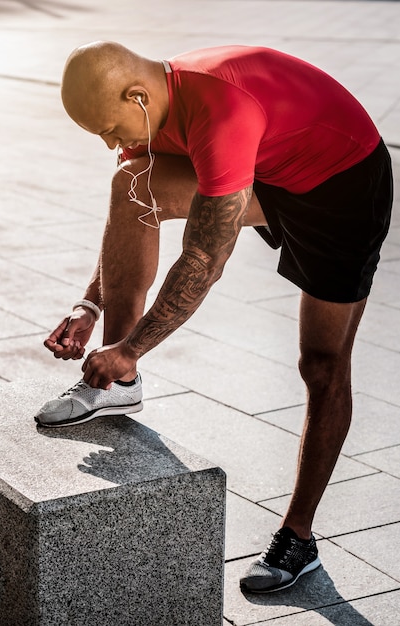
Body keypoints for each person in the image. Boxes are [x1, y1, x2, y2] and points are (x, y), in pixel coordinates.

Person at [34, 41, 393, 594]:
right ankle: (116, 384)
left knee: (321, 363)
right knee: (132, 186)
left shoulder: (220, 111)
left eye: (109, 128)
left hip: (340, 186)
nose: (110, 141)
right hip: (271, 166)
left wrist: (135, 343)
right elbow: (131, 214)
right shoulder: (150, 112)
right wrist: (91, 303)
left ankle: (298, 538)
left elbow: (204, 258)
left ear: (137, 95)